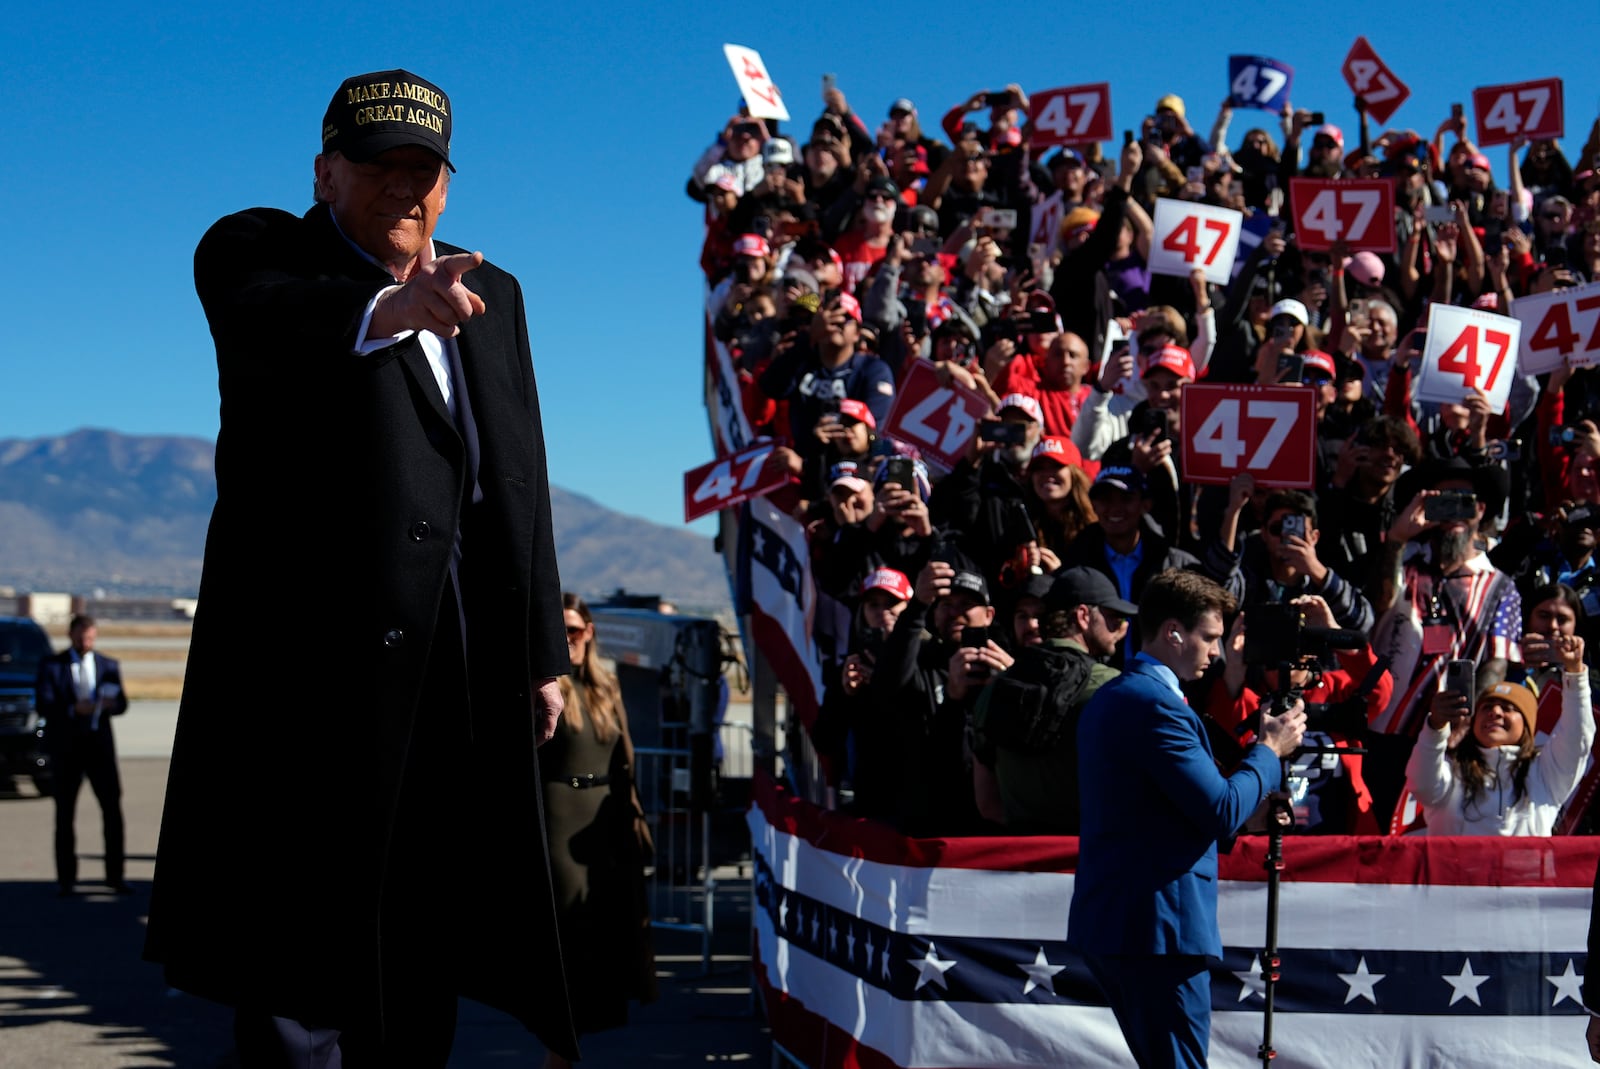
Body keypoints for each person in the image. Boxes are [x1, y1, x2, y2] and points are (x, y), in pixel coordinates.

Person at [144, 69, 579, 1066]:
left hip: (454, 672)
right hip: (308, 679)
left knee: (423, 937)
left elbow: (519, 477)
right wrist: (391, 311)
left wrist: (540, 653)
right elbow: (275, 316)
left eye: (423, 172)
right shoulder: (257, 251)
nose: (405, 192)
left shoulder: (492, 294)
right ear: (325, 171)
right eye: (380, 168)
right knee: (302, 965)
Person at [1070, 569, 1305, 1069]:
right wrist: (1268, 749)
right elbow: (1219, 808)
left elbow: (1158, 808)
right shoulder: (1154, 704)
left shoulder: (1119, 696)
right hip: (1156, 931)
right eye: (1210, 638)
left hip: (1133, 925)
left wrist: (1250, 818)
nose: (1217, 654)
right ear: (1174, 632)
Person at [541, 595, 657, 1066]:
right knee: (567, 934)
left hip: (605, 823)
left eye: (574, 629)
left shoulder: (608, 686)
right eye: (560, 630)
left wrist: (635, 822)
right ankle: (557, 1049)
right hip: (556, 816)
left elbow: (624, 759)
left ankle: (571, 1043)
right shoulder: (543, 686)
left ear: (589, 631)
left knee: (601, 935)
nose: (568, 638)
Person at [971, 567, 1133, 833]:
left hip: (1018, 861)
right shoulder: (1115, 688)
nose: (1122, 627)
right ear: (1083, 616)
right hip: (1091, 860)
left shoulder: (994, 688)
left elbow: (987, 804)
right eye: (1112, 617)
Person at [1405, 635, 1592, 835]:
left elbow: (1577, 736)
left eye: (1508, 708)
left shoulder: (1546, 775)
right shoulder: (1452, 770)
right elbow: (1422, 786)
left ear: (1527, 726)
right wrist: (1435, 727)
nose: (1495, 712)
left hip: (1524, 868)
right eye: (1486, 708)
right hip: (1453, 867)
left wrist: (1576, 675)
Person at [34, 614, 130, 896]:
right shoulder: (52, 665)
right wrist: (72, 710)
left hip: (99, 748)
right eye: (80, 636)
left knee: (112, 811)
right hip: (67, 750)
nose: (85, 642)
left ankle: (115, 876)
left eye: (89, 637)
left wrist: (112, 704)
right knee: (65, 814)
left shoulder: (108, 665)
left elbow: (122, 703)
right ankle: (66, 879)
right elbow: (43, 702)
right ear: (70, 635)